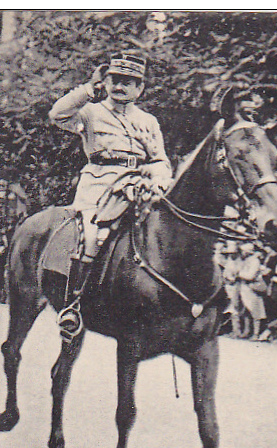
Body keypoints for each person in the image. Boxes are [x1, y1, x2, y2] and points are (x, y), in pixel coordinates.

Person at [48, 51, 172, 338]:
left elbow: (159, 160)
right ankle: (74, 306)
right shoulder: (91, 112)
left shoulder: (148, 121)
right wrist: (87, 91)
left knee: (165, 235)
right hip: (99, 188)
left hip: (139, 187)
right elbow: (58, 115)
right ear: (106, 81)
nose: (121, 87)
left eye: (130, 82)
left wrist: (161, 180)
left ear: (140, 88)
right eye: (116, 80)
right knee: (92, 236)